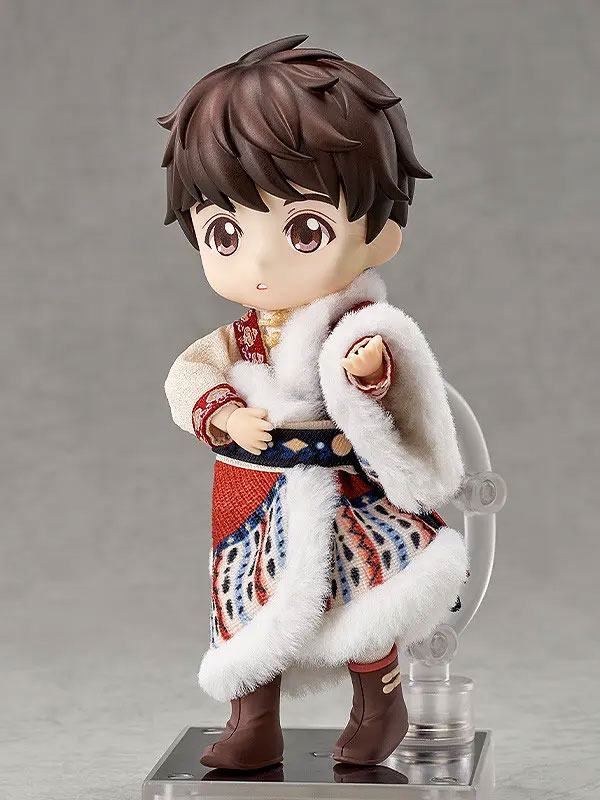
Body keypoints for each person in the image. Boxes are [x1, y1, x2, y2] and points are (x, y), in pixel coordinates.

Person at [159, 34, 466, 770]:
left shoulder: (353, 326)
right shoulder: (235, 339)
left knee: (364, 600)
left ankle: (379, 705)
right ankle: (251, 722)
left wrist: (367, 373)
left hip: (346, 491)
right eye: (225, 232)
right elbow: (189, 377)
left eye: (304, 229)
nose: (260, 260)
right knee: (247, 610)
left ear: (379, 235)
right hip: (252, 497)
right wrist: (224, 413)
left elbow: (397, 386)